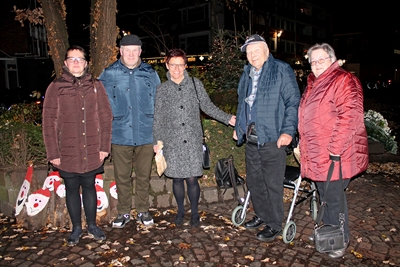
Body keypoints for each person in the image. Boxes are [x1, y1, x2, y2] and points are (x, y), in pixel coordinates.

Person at [298, 43, 368, 258]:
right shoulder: (314, 83)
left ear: (332, 59)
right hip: (318, 153)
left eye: (321, 60)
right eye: (313, 61)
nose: (317, 65)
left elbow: (350, 117)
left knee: (334, 198)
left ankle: (340, 238)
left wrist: (335, 150)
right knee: (324, 195)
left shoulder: (343, 80)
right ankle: (328, 230)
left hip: (335, 154)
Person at [153, 48, 236, 227]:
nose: (176, 69)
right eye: (173, 65)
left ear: (185, 65)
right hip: (172, 141)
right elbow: (159, 117)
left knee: (191, 178)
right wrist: (157, 142)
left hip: (192, 140)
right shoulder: (162, 89)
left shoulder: (195, 84)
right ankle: (181, 212)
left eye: (180, 65)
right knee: (176, 178)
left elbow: (208, 106)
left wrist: (228, 119)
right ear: (167, 65)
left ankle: (195, 212)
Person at [42, 45, 112, 246]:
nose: (75, 62)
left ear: (86, 63)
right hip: (67, 151)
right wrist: (53, 152)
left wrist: (104, 147)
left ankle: (92, 225)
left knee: (89, 186)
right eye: (71, 59)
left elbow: (106, 116)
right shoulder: (55, 87)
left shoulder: (96, 86)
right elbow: (49, 121)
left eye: (79, 59)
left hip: (92, 149)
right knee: (71, 188)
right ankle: (76, 228)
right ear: (65, 63)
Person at [233, 34, 300, 242]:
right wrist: (239, 127)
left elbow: (293, 102)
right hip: (252, 137)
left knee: (272, 183)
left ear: (266, 51)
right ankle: (261, 215)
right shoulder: (247, 74)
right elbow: (243, 104)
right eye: (249, 52)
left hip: (273, 137)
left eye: (256, 50)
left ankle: (274, 224)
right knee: (255, 181)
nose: (252, 55)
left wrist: (288, 131)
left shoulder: (281, 69)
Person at [99, 34, 161, 228]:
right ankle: (123, 212)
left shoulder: (150, 73)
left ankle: (143, 210)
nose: (131, 54)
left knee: (143, 176)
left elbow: (160, 103)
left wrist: (159, 136)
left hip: (145, 134)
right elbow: (100, 106)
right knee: (122, 177)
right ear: (121, 52)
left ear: (140, 52)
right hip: (120, 134)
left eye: (135, 50)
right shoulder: (108, 74)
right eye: (128, 51)